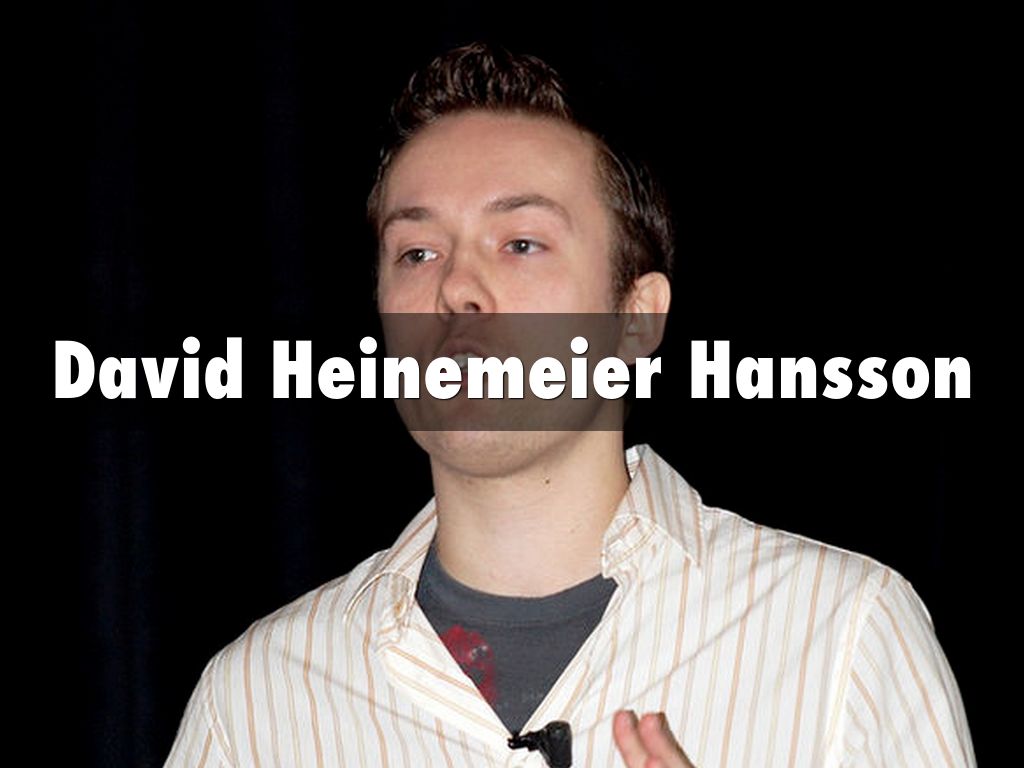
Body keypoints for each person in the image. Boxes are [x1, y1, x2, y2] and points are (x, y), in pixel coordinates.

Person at [164, 42, 976, 767]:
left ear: (636, 318)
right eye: (417, 252)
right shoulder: (258, 701)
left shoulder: (840, 632)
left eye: (521, 243)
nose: (455, 287)